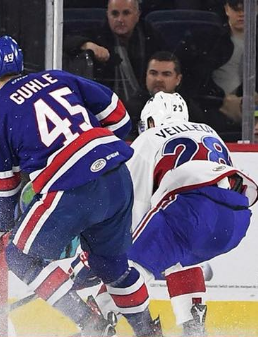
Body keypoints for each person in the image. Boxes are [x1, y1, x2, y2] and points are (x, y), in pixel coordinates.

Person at [0, 35, 160, 336]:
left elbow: (3, 186)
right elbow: (118, 116)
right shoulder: (56, 77)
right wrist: (94, 150)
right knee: (111, 266)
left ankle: (92, 325)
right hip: (117, 178)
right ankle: (149, 331)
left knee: (20, 257)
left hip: (73, 188)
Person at [92, 92, 257, 336]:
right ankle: (193, 326)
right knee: (178, 255)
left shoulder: (149, 138)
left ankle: (99, 322)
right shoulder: (209, 132)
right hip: (235, 219)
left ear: (150, 121)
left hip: (189, 212)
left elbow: (134, 206)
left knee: (126, 266)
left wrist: (108, 250)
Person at [63, 0, 162, 104]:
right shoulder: (97, 35)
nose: (120, 19)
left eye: (126, 13)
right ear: (107, 15)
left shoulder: (150, 35)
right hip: (105, 104)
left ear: (137, 15)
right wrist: (86, 45)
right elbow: (64, 41)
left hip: (146, 103)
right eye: (115, 14)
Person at [195, 0, 258, 142]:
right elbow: (199, 78)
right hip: (218, 106)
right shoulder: (211, 40)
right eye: (236, 8)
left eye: (246, 8)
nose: (241, 13)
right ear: (226, 10)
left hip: (254, 106)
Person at [124, 51, 205, 139]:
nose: (158, 79)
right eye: (153, 73)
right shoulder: (130, 110)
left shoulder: (192, 111)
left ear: (178, 79)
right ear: (146, 75)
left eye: (166, 74)